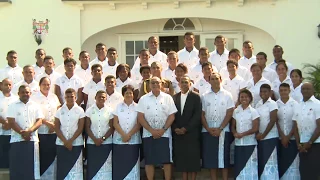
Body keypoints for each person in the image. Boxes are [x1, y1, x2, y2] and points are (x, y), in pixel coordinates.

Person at [137, 76, 178, 180]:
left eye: (157, 83)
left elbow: (172, 116)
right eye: (153, 83)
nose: (155, 85)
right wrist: (151, 131)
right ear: (149, 85)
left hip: (164, 134)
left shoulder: (168, 98)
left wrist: (162, 130)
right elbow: (140, 117)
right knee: (149, 160)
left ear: (162, 84)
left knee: (166, 161)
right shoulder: (143, 98)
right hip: (148, 134)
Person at [201, 72, 234, 180]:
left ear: (220, 80)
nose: (215, 81)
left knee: (224, 158)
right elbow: (202, 114)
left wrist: (220, 128)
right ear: (209, 81)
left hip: (223, 131)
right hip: (208, 131)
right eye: (212, 79)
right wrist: (208, 129)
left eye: (216, 78)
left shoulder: (227, 95)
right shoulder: (204, 96)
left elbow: (230, 112)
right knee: (211, 158)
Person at [7, 85, 44, 180]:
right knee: (18, 168)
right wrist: (22, 133)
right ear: (18, 93)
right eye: (22, 92)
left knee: (31, 169)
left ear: (30, 93)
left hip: (32, 140)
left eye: (27, 92)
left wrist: (30, 131)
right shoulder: (12, 105)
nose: (25, 94)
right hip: (17, 140)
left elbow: (39, 121)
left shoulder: (35, 105)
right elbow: (11, 121)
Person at [172, 75, 201, 180]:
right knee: (183, 161)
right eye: (182, 82)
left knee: (192, 160)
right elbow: (172, 115)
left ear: (190, 84)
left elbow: (197, 115)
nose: (184, 84)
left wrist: (186, 128)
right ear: (179, 84)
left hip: (192, 133)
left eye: (186, 82)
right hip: (178, 134)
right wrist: (175, 128)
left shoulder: (196, 97)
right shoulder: (174, 97)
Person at [31, 77, 60, 179]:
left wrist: (54, 125)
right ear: (39, 85)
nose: (46, 86)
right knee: (43, 157)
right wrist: (48, 124)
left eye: (48, 84)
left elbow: (58, 112)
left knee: (52, 156)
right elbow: (35, 114)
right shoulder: (34, 97)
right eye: (44, 84)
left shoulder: (54, 97)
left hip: (53, 132)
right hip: (41, 131)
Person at [54, 88, 85, 180]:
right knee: (63, 168)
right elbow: (57, 127)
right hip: (61, 143)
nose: (70, 99)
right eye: (67, 97)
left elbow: (80, 128)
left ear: (75, 97)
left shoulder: (80, 110)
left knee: (75, 169)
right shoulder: (59, 111)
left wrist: (70, 141)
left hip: (76, 143)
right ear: (64, 98)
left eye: (72, 97)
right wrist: (65, 141)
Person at [113, 85, 141, 180]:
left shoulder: (138, 107)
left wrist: (129, 135)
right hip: (119, 140)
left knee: (132, 165)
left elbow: (139, 123)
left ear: (133, 94)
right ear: (123, 94)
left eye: (130, 93)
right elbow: (115, 123)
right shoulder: (118, 106)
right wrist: (123, 135)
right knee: (120, 164)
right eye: (126, 93)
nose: (128, 95)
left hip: (133, 140)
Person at [293, 82, 320, 180]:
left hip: (315, 144)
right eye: (303, 89)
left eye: (308, 89)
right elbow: (295, 126)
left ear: (313, 90)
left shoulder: (317, 104)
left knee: (313, 172)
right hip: (301, 145)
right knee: (303, 172)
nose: (305, 91)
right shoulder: (298, 105)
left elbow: (319, 127)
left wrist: (309, 142)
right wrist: (298, 144)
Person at [85, 90, 114, 180]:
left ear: (106, 98)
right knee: (93, 166)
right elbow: (87, 127)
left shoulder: (110, 110)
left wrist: (103, 138)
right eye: (99, 97)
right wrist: (94, 139)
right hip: (92, 143)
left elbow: (112, 127)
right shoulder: (89, 110)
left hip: (106, 143)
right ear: (95, 98)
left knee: (106, 167)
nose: (101, 98)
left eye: (103, 97)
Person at [232, 89, 259, 180]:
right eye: (242, 97)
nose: (244, 99)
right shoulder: (236, 111)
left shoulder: (253, 111)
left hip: (250, 143)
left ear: (250, 98)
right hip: (238, 143)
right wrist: (235, 133)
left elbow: (255, 128)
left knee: (250, 167)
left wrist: (242, 134)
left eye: (246, 97)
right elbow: (233, 126)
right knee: (240, 167)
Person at [276, 83, 300, 180]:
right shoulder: (276, 104)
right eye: (281, 90)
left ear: (289, 91)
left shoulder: (295, 104)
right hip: (280, 138)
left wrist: (288, 136)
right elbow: (276, 121)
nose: (283, 92)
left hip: (292, 138)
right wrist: (283, 136)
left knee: (292, 163)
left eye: (285, 90)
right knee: (282, 163)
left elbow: (296, 122)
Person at [255, 84, 279, 179]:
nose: (263, 93)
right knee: (262, 161)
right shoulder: (258, 104)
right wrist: (258, 134)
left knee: (270, 161)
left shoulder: (273, 103)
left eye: (265, 91)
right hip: (260, 137)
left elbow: (273, 120)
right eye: (261, 91)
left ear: (270, 92)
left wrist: (264, 134)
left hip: (270, 137)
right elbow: (256, 120)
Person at [0, 79, 18, 168]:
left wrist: (9, 124)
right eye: (6, 85)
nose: (8, 87)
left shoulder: (16, 99)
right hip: (0, 131)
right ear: (1, 86)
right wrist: (4, 122)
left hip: (13, 132)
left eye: (10, 85)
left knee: (11, 155)